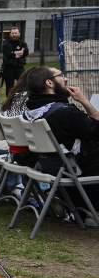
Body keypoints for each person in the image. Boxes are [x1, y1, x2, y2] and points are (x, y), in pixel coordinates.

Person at [20, 66, 99, 210]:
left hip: (51, 166)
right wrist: (85, 102)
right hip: (81, 168)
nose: (66, 79)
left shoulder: (30, 112)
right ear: (49, 83)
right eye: (61, 75)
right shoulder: (65, 112)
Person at [0, 26, 28, 96]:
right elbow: (9, 54)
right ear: (10, 34)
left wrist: (14, 53)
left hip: (20, 67)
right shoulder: (6, 44)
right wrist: (19, 53)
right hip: (9, 68)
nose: (14, 35)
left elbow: (26, 53)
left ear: (19, 33)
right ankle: (9, 102)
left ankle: (21, 100)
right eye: (12, 33)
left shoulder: (23, 43)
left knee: (22, 85)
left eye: (16, 33)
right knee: (9, 86)